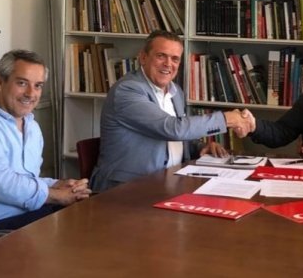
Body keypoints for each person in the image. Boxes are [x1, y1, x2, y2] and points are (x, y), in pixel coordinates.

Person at [90, 30, 253, 192]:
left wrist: (201, 147)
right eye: (161, 56)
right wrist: (227, 119)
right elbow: (172, 129)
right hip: (125, 189)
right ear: (143, 57)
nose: (168, 64)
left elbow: (175, 138)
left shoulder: (175, 91)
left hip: (169, 182)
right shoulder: (127, 90)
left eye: (175, 59)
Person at [0, 50, 91, 230]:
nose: (31, 93)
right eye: (22, 83)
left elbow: (26, 179)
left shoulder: (32, 127)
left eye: (38, 85)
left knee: (94, 221)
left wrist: (60, 185)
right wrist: (57, 195)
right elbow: (3, 184)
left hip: (30, 216)